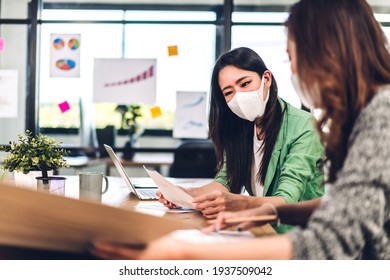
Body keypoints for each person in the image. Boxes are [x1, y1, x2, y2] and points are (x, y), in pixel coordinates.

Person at [90, 0, 390, 260]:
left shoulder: (381, 114)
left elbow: (333, 242)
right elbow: (341, 206)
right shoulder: (360, 116)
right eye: (227, 91)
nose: (295, 70)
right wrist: (270, 211)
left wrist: (183, 252)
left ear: (327, 51)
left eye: (293, 57)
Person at [159, 46, 324, 233]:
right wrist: (184, 195)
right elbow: (225, 181)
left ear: (266, 79)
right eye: (229, 92)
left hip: (299, 236)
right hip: (259, 228)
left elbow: (285, 200)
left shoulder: (304, 126)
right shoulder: (241, 126)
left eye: (245, 84)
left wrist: (239, 203)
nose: (239, 96)